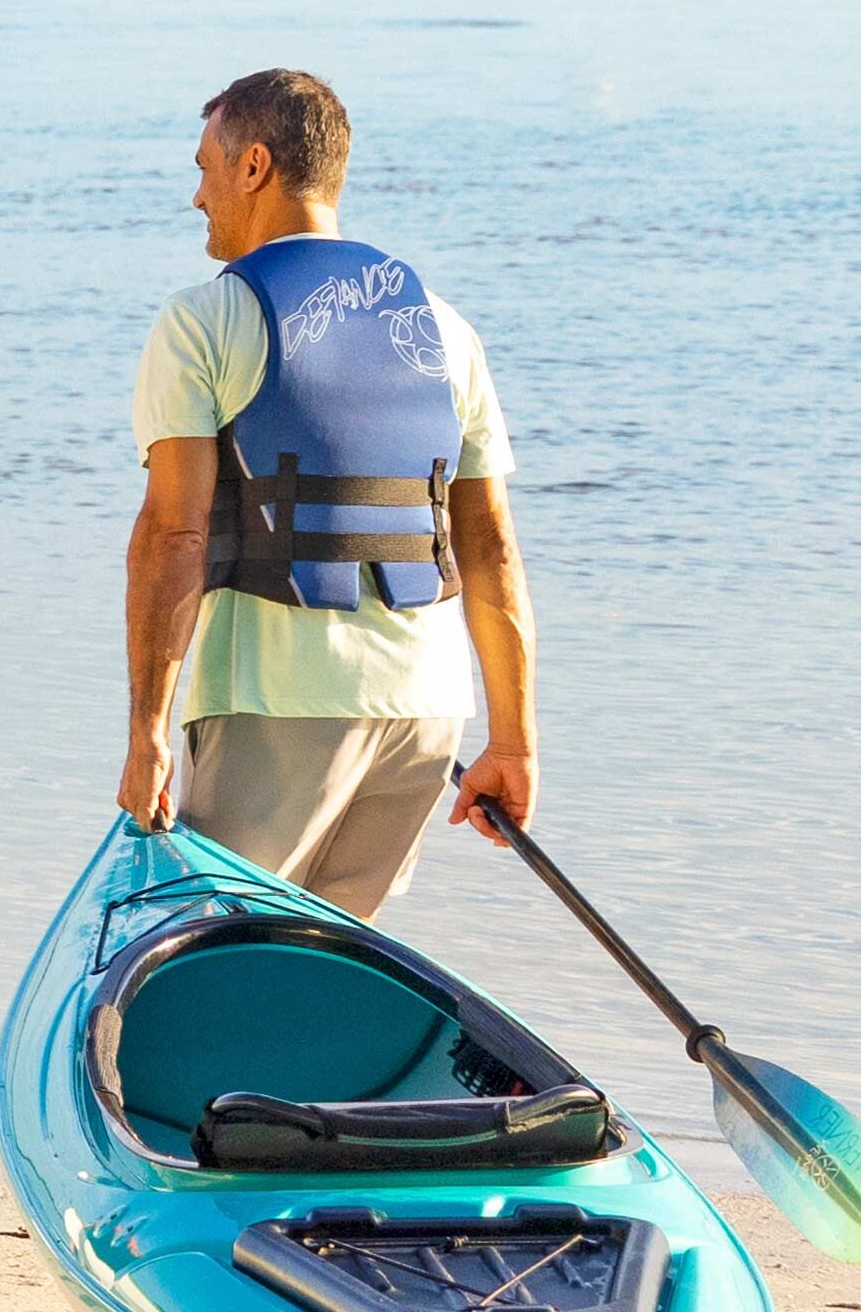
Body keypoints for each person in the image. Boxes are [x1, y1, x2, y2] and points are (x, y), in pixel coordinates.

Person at [113, 64, 541, 918]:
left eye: (204, 168)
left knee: (210, 955)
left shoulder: (204, 321)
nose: (196, 197)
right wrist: (513, 741)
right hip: (425, 714)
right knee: (318, 963)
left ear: (254, 167)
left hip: (276, 706)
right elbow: (490, 547)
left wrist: (148, 735)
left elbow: (174, 537)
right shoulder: (446, 328)